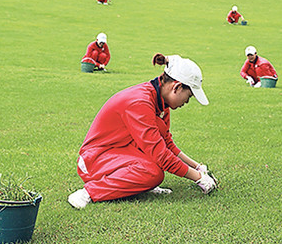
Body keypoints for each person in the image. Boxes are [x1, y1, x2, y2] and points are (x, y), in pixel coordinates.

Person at [68, 53, 217, 209]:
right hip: (94, 161)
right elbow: (161, 154)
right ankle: (88, 193)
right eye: (189, 96)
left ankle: (142, 185)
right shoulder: (140, 102)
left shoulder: (161, 103)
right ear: (177, 87)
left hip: (118, 154)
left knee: (154, 170)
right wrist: (198, 178)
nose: (187, 101)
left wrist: (197, 167)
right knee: (153, 172)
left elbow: (166, 144)